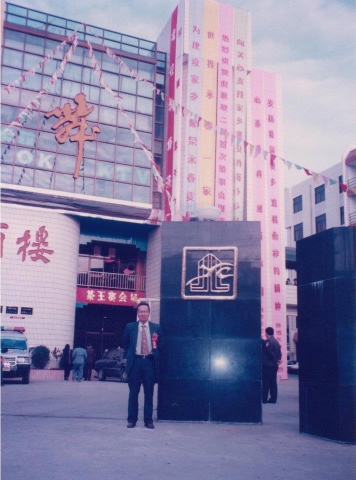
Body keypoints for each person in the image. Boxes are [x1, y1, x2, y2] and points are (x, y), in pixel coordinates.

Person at [122, 302, 162, 429]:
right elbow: (125, 344)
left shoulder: (156, 327)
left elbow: (161, 346)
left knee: (149, 392)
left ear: (149, 313)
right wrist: (130, 357)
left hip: (150, 362)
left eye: (145, 311)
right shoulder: (130, 327)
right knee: (133, 392)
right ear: (137, 313)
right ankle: (132, 419)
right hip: (136, 362)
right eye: (141, 311)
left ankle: (148, 420)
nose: (143, 313)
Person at [262, 327, 282, 404]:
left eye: (265, 332)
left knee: (266, 382)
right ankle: (273, 398)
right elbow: (279, 353)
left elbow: (269, 352)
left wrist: (274, 360)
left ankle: (264, 399)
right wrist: (277, 360)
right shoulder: (276, 341)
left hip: (268, 365)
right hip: (274, 366)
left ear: (267, 333)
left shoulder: (268, 341)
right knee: (273, 382)